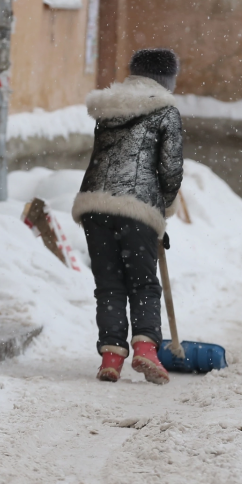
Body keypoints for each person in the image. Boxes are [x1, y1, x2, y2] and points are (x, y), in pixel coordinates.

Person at [73, 49, 184, 384]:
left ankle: (111, 355)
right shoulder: (166, 110)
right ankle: (147, 349)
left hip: (95, 205)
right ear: (167, 79)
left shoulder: (107, 108)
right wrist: (163, 206)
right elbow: (171, 169)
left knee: (108, 284)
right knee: (143, 283)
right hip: (137, 209)